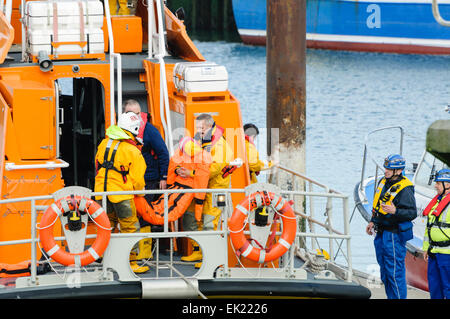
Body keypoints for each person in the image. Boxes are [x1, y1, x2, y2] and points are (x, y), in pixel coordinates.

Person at [94, 111, 149, 274]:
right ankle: (131, 261)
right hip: (122, 195)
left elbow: (97, 164)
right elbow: (138, 179)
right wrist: (141, 194)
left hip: (102, 193)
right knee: (130, 227)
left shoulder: (104, 143)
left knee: (106, 226)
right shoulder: (133, 151)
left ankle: (105, 256)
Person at [180, 113, 233, 268]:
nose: (198, 130)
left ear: (210, 128)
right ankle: (198, 250)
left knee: (210, 224)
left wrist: (191, 173)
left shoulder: (221, 146)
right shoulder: (200, 141)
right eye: (197, 128)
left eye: (201, 128)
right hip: (199, 187)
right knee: (189, 218)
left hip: (215, 190)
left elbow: (213, 170)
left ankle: (210, 258)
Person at [365, 154, 417, 299]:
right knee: (385, 274)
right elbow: (378, 206)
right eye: (386, 167)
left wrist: (396, 211)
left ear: (399, 171)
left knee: (395, 273)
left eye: (390, 168)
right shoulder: (384, 181)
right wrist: (373, 221)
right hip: (381, 233)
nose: (386, 170)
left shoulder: (405, 188)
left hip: (393, 235)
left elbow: (412, 213)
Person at [123, 99, 170, 258]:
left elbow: (163, 153)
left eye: (136, 114)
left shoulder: (149, 130)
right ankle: (131, 251)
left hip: (148, 180)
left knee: (144, 215)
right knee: (129, 215)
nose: (134, 117)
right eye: (130, 114)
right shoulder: (121, 131)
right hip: (127, 181)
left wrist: (163, 176)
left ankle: (144, 253)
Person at [422, 168, 450, 299]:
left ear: (448, 184)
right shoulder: (437, 201)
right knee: (434, 288)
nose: (435, 185)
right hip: (434, 252)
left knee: (448, 288)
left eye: (438, 183)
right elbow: (429, 228)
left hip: (447, 254)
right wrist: (426, 248)